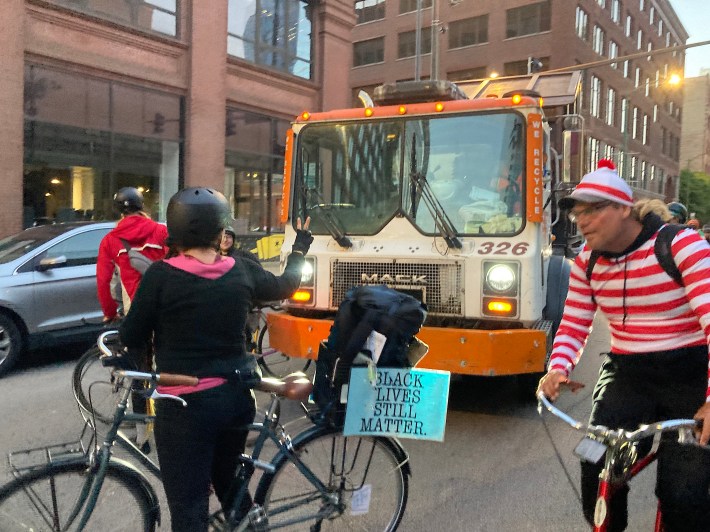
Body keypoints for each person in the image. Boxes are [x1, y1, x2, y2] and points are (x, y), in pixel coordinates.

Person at [119, 186, 312, 531]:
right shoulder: (242, 270)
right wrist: (300, 246)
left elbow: (130, 336)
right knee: (229, 481)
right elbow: (286, 284)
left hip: (185, 408)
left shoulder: (161, 276)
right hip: (237, 398)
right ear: (221, 231)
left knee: (190, 505)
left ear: (173, 230)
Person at [538, 159, 710, 532]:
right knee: (595, 463)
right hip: (628, 372)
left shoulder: (680, 245)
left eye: (593, 210)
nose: (581, 221)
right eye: (577, 211)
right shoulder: (587, 261)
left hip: (691, 374)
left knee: (685, 495)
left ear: (622, 208)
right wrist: (558, 367)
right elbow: (574, 323)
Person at [97, 187, 168, 321]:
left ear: (118, 210)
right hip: (165, 302)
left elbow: (104, 281)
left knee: (135, 340)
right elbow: (178, 264)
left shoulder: (109, 240)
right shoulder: (161, 231)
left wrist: (110, 312)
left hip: (135, 309)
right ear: (141, 205)